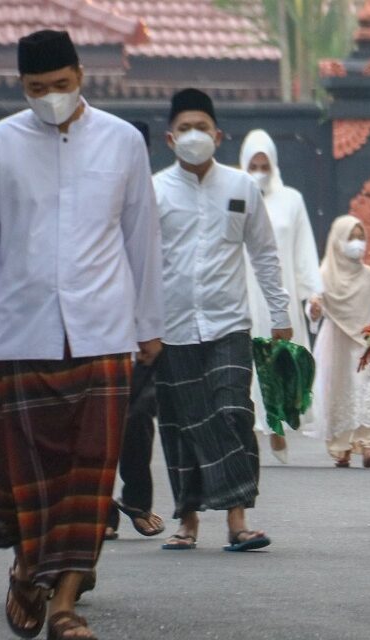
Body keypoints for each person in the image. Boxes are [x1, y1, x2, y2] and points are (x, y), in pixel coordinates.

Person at [0, 30, 164, 640]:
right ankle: (26, 570)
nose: (50, 97)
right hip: (20, 334)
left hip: (102, 332)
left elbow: (140, 237)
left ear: (81, 76)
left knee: (91, 476)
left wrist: (150, 325)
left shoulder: (123, 142)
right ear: (22, 87)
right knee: (28, 473)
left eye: (60, 85)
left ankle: (66, 601)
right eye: (36, 89)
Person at [152, 89, 292, 553]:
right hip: (170, 327)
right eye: (185, 129)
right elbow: (139, 261)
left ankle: (238, 520)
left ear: (219, 135)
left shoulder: (241, 187)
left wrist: (280, 314)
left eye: (202, 128)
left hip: (228, 323)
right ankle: (187, 521)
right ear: (170, 138)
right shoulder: (153, 191)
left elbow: (265, 254)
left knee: (234, 412)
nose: (195, 136)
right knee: (181, 424)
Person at [240, 129, 323, 463]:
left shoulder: (291, 199)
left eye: (265, 164)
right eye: (253, 164)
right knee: (247, 360)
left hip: (281, 293)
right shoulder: (236, 197)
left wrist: (312, 294)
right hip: (244, 292)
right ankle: (255, 424)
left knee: (278, 359)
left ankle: (275, 425)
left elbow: (304, 250)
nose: (259, 170)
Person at [105, 120, 165, 541]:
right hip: (100, 325)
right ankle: (101, 512)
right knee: (96, 424)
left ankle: (139, 503)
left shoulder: (163, 193)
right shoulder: (99, 193)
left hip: (145, 328)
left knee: (139, 418)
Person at [304, 215, 370, 467]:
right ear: (338, 241)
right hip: (336, 340)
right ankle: (342, 446)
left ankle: (368, 444)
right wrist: (314, 309)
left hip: (365, 340)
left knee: (368, 387)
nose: (358, 244)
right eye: (351, 238)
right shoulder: (324, 274)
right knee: (339, 388)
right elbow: (314, 303)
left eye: (361, 238)